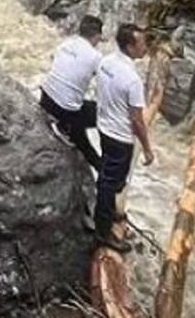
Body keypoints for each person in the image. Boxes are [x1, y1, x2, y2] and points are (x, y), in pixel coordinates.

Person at [92, 24, 157, 251]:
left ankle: (109, 215)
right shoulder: (132, 79)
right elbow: (137, 121)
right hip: (120, 138)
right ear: (130, 47)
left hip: (104, 128)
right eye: (142, 43)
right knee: (111, 184)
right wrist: (148, 149)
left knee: (108, 177)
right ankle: (102, 232)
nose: (145, 47)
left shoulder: (105, 62)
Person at [39, 15, 106, 171]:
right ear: (97, 36)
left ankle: (63, 126)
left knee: (87, 110)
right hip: (66, 111)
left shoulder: (66, 44)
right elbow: (108, 82)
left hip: (46, 99)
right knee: (103, 117)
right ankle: (106, 173)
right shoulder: (96, 57)